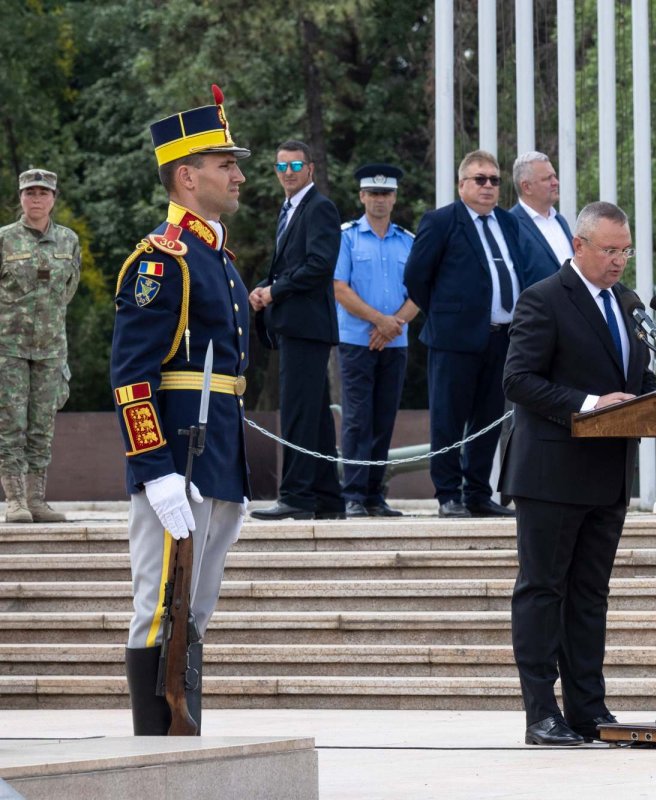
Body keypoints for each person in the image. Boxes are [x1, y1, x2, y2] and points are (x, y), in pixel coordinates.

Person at [111, 84, 252, 734]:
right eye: (227, 165)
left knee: (194, 609)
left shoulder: (217, 259)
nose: (239, 174)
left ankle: (182, 733)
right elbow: (132, 378)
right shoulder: (161, 261)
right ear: (187, 176)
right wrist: (154, 468)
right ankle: (153, 745)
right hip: (178, 458)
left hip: (217, 458)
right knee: (158, 604)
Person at [502, 201, 656, 746]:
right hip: (551, 472)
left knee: (591, 594)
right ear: (580, 246)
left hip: (607, 471)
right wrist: (591, 402)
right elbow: (518, 380)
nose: (619, 261)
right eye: (610, 250)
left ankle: (589, 708)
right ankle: (541, 713)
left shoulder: (630, 303)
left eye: (626, 250)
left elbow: (637, 377)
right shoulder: (544, 299)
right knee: (544, 591)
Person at [405, 150, 527, 518]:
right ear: (462, 184)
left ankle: (477, 492)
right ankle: (448, 494)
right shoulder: (441, 221)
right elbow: (415, 277)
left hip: (502, 338)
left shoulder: (507, 222)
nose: (489, 186)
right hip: (454, 339)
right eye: (480, 179)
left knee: (488, 418)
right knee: (449, 418)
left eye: (494, 179)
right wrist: (446, 315)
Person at [249, 139, 344, 521]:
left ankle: (296, 496)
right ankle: (327, 498)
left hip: (308, 326)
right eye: (281, 167)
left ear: (310, 169)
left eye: (294, 166)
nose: (287, 174)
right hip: (293, 324)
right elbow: (290, 265)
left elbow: (320, 265)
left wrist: (275, 291)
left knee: (298, 412)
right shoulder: (288, 209)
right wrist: (263, 288)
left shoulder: (320, 208)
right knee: (315, 414)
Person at [332, 163, 417, 518]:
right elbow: (339, 288)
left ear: (394, 198)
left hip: (394, 342)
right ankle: (352, 493)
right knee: (356, 419)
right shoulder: (347, 237)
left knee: (383, 419)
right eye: (374, 193)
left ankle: (374, 494)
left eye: (386, 194)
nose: (380, 200)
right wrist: (379, 321)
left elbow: (420, 291)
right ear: (362, 196)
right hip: (357, 341)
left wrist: (391, 325)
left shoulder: (408, 240)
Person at [0, 168, 79, 523]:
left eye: (43, 193)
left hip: (50, 349)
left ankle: (36, 499)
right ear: (20, 197)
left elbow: (68, 290)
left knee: (42, 424)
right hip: (9, 348)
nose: (36, 199)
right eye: (30, 193)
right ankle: (14, 500)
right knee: (9, 422)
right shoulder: (4, 239)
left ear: (53, 199)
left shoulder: (68, 241)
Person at [510, 151, 573, 286]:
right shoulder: (511, 225)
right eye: (547, 178)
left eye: (555, 176)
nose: (556, 182)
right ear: (526, 187)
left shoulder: (560, 220)